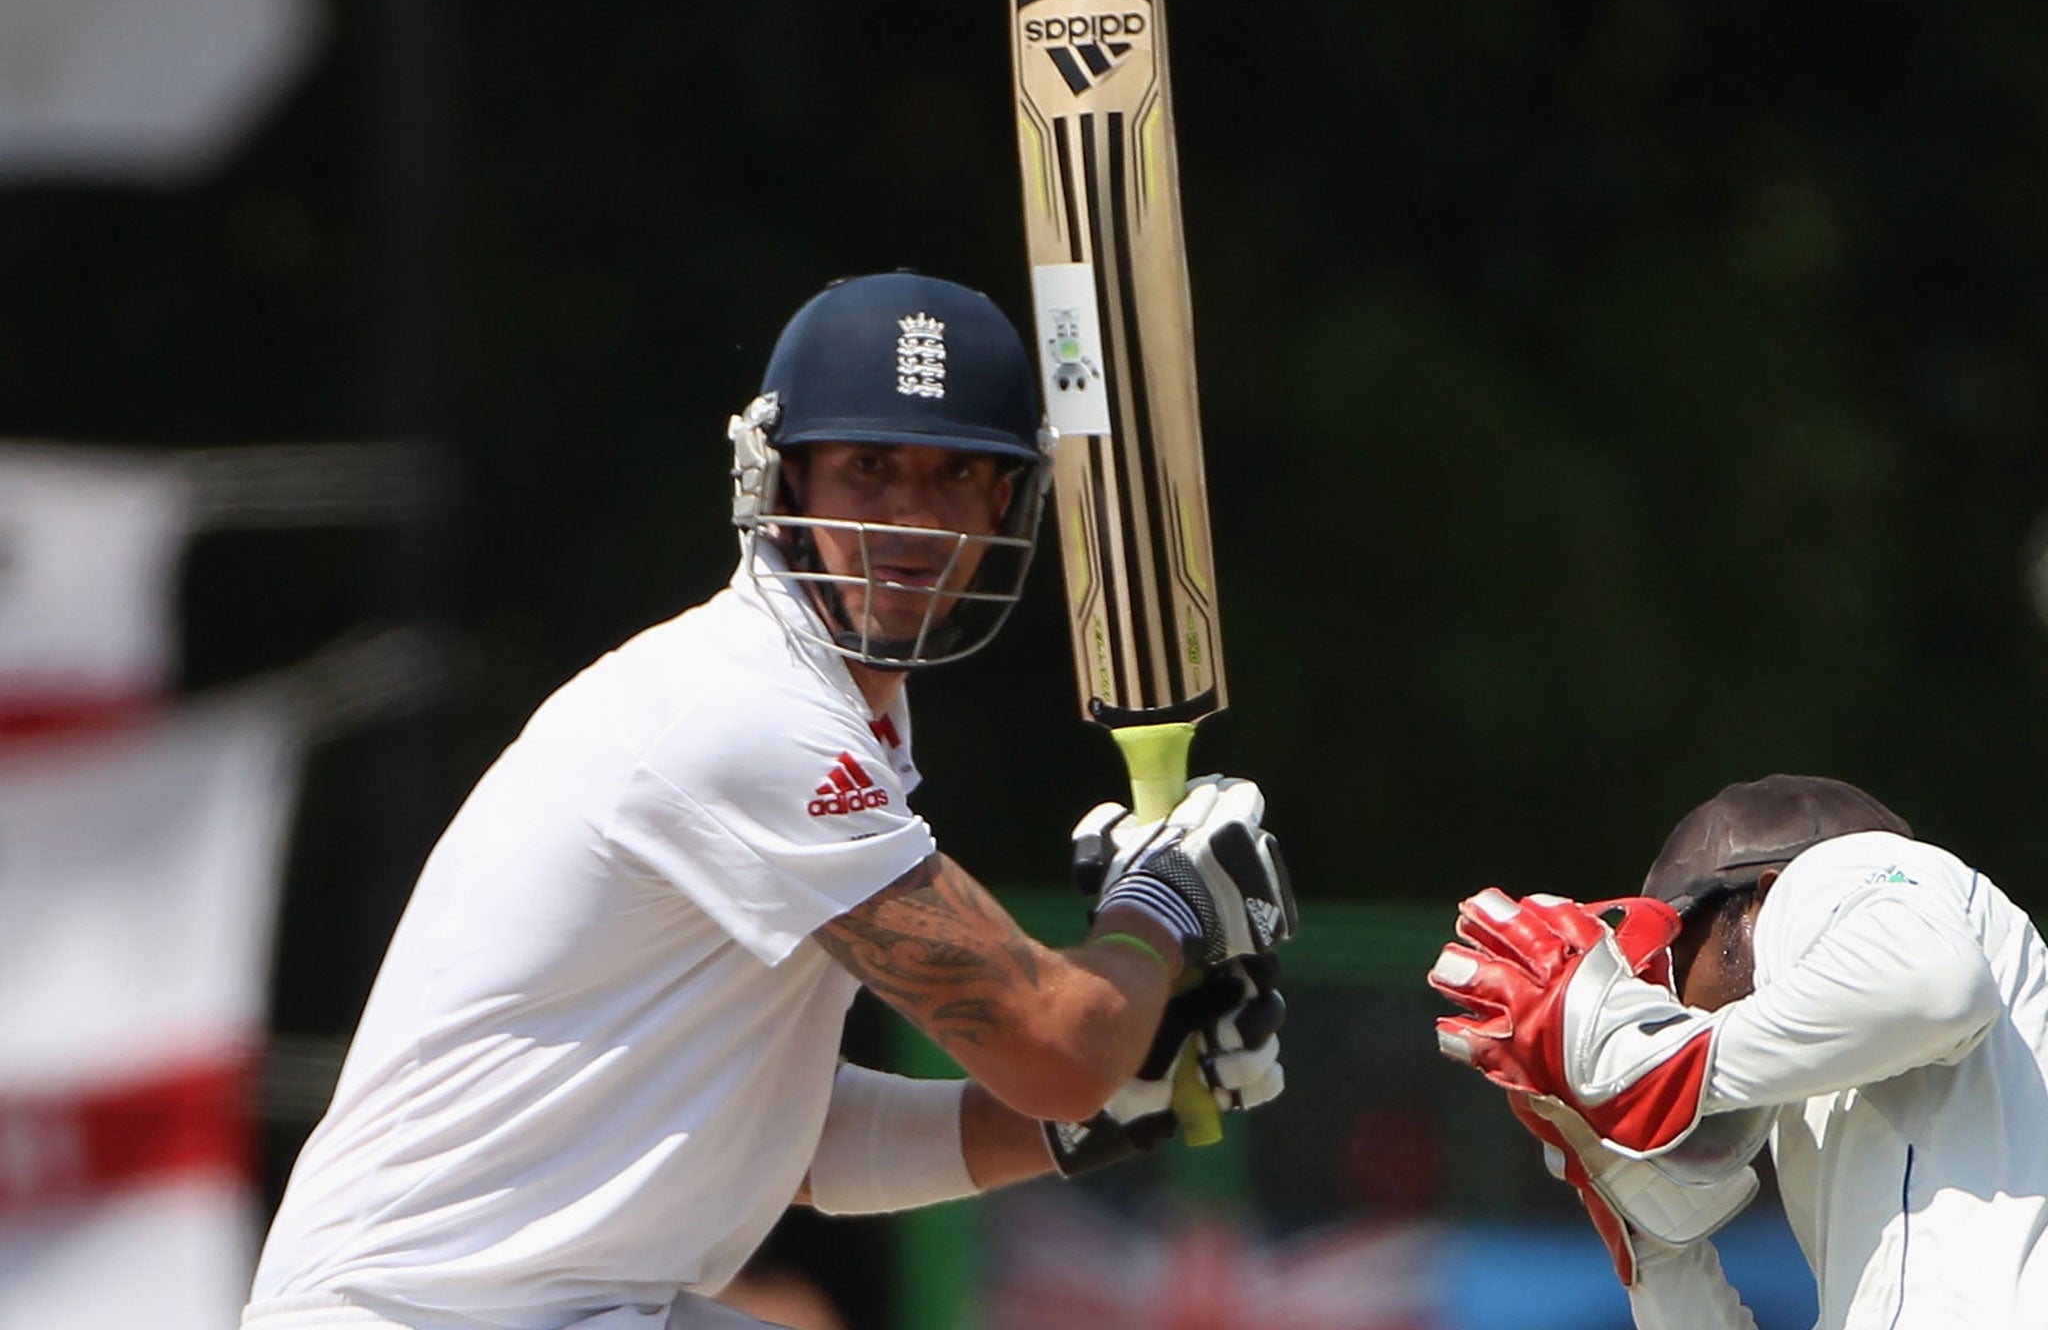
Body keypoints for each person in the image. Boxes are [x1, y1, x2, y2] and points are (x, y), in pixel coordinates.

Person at [242, 272, 1294, 1330]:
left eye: (958, 472)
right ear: (778, 478)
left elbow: (790, 1141)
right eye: (869, 467)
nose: (912, 519)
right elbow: (1056, 1047)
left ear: (1006, 501)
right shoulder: (743, 715)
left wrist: (1106, 1105)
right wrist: (1159, 906)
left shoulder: (823, 722)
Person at [1427, 772, 2048, 1329]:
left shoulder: (1840, 871)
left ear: (1759, 898)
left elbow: (1935, 988)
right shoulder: (1858, 1120)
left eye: (1677, 957)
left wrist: (1669, 1070)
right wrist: (1656, 1250)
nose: (1675, 1006)